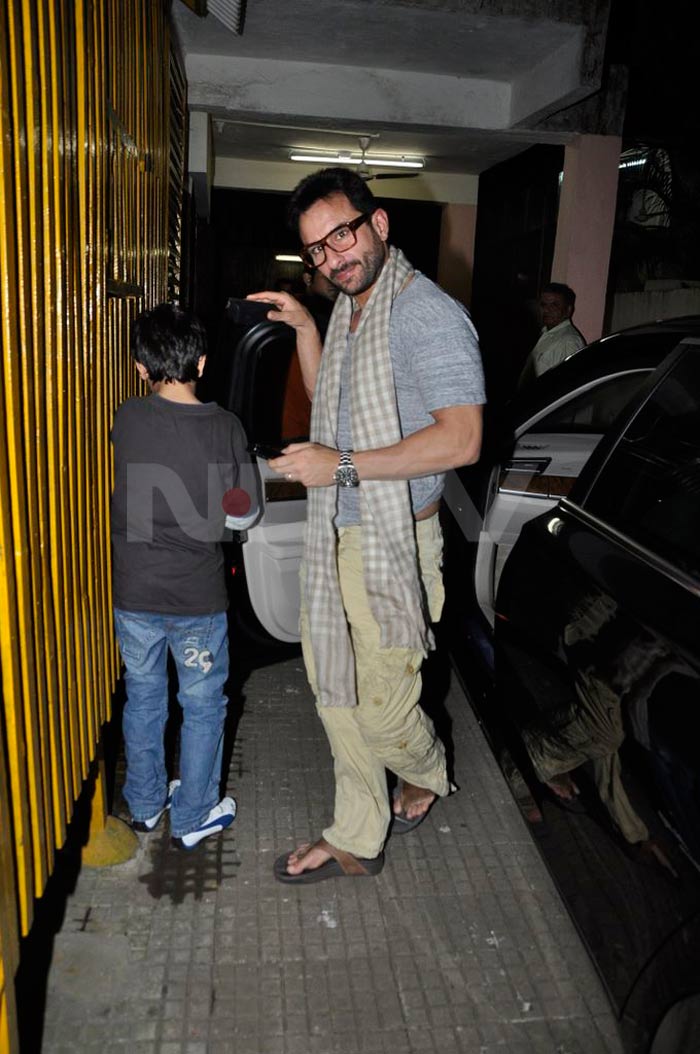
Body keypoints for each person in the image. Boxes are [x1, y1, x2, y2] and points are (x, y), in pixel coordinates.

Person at [248, 167, 485, 884]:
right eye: (317, 250)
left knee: (384, 715)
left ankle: (427, 771)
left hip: (395, 543)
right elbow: (334, 407)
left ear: (378, 225)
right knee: (336, 695)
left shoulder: (426, 315)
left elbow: (461, 441)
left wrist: (340, 467)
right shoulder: (354, 312)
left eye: (341, 235)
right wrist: (305, 330)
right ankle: (357, 833)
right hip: (340, 537)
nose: (331, 257)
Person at [110, 303, 258, 850]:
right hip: (196, 600)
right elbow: (243, 514)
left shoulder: (127, 416)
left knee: (144, 698)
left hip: (134, 593)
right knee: (202, 704)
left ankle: (146, 806)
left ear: (141, 368)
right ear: (202, 361)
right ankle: (193, 814)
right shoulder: (224, 428)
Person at [517, 282, 586, 385]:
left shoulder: (570, 341)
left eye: (554, 305)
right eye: (543, 304)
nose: (547, 310)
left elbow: (573, 384)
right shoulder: (542, 333)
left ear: (568, 310)